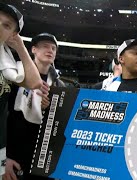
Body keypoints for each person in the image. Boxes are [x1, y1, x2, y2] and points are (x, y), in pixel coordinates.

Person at [4, 33, 65, 180]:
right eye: (45, 46)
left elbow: (59, 126)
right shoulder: (15, 74)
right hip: (13, 154)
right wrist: (3, 157)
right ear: (33, 50)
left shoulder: (59, 85)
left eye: (53, 48)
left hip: (41, 160)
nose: (50, 50)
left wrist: (48, 109)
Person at [0, 3, 43, 177]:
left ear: (13, 35)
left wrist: (20, 47)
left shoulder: (6, 62)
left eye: (7, 25)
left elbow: (34, 83)